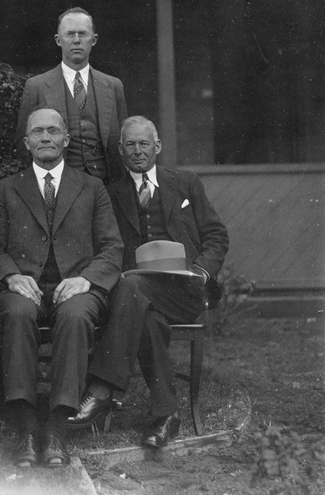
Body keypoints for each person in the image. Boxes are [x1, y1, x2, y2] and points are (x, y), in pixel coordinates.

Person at [68, 116, 229, 448]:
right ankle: (166, 416)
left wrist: (200, 271)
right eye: (130, 144)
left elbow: (216, 236)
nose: (138, 150)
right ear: (120, 150)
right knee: (148, 319)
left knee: (132, 291)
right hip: (135, 294)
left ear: (158, 146)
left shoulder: (185, 183)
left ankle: (101, 389)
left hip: (184, 290)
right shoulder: (110, 193)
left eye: (144, 143)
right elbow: (105, 246)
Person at [0, 107, 123, 468]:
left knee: (76, 317)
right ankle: (27, 428)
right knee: (15, 313)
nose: (45, 137)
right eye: (37, 132)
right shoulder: (5, 188)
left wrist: (86, 279)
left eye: (53, 131)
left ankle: (58, 427)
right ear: (27, 141)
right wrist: (11, 276)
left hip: (76, 286)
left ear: (66, 139)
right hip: (24, 284)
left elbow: (112, 247)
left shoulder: (92, 187)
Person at [16, 7, 127, 185]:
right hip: (58, 186)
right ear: (58, 40)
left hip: (106, 185)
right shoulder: (37, 86)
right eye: (70, 34)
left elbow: (122, 143)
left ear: (94, 39)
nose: (76, 40)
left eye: (82, 34)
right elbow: (24, 146)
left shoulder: (113, 86)